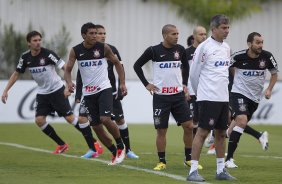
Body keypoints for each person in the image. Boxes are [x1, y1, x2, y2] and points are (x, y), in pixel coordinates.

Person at [1, 31, 98, 157]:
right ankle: (62, 144)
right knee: (39, 120)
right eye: (35, 40)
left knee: (70, 118)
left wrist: (68, 85)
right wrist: (5, 90)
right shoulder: (25, 58)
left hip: (57, 90)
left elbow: (65, 67)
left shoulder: (48, 54)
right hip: (42, 93)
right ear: (29, 43)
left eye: (39, 40)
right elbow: (16, 73)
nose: (38, 42)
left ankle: (94, 143)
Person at [64, 22, 127, 165]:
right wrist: (68, 83)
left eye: (96, 33)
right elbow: (68, 70)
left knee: (105, 119)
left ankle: (120, 146)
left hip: (104, 89)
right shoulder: (75, 50)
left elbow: (117, 63)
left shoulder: (104, 48)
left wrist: (122, 83)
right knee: (96, 127)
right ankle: (113, 152)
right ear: (83, 35)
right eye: (91, 33)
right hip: (88, 93)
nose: (95, 36)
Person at [134, 24, 195, 171]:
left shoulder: (180, 49)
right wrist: (146, 84)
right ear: (165, 35)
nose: (177, 36)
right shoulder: (154, 50)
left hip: (178, 96)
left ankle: (188, 159)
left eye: (177, 33)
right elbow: (137, 66)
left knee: (189, 126)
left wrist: (185, 84)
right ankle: (162, 161)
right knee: (161, 130)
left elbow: (186, 67)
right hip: (161, 97)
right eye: (173, 34)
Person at [75, 24, 139, 159]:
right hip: (89, 92)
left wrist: (121, 85)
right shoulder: (81, 50)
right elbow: (80, 74)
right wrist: (78, 94)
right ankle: (93, 148)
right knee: (84, 119)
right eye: (99, 33)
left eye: (104, 33)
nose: (102, 35)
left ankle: (127, 150)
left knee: (120, 119)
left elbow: (119, 66)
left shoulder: (109, 49)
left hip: (109, 91)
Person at [187, 14, 236, 181]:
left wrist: (227, 97)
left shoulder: (227, 48)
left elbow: (225, 74)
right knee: (202, 132)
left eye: (228, 27)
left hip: (223, 98)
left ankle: (221, 170)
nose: (226, 31)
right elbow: (193, 74)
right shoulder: (204, 47)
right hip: (207, 97)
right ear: (213, 29)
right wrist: (199, 94)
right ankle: (193, 171)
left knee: (221, 133)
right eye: (223, 28)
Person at [225, 32, 278, 168]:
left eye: (262, 42)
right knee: (241, 121)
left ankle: (219, 134)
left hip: (255, 98)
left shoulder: (267, 56)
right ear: (249, 44)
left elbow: (274, 74)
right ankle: (229, 160)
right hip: (238, 93)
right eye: (258, 42)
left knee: (231, 131)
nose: (260, 45)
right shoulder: (238, 56)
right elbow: (224, 67)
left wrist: (269, 89)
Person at [186, 26, 207, 139]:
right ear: (194, 36)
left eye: (205, 34)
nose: (204, 37)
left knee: (205, 121)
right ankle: (191, 152)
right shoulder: (186, 52)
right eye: (201, 34)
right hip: (191, 91)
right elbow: (181, 72)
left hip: (205, 91)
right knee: (192, 123)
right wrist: (184, 88)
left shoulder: (208, 51)